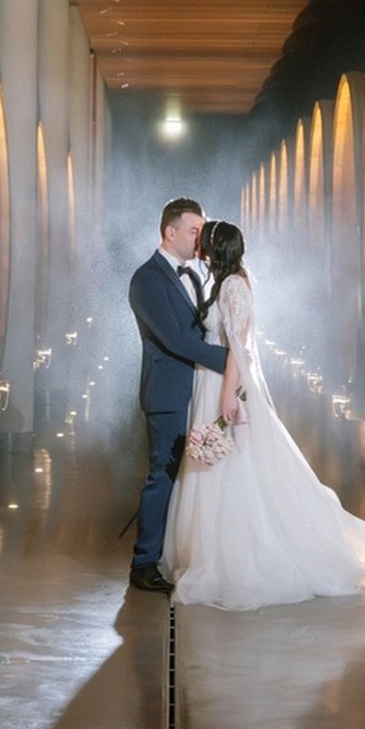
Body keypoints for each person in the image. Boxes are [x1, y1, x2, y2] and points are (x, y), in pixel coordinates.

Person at [162, 221, 365, 610]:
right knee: (225, 466)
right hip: (211, 381)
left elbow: (239, 348)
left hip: (223, 383)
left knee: (237, 469)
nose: (198, 242)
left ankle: (236, 554)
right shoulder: (228, 281)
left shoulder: (232, 286)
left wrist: (229, 395)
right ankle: (211, 550)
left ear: (214, 247)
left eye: (203, 237)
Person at [125, 198, 230, 593]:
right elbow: (176, 339)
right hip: (168, 393)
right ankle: (144, 563)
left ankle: (179, 553)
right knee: (163, 475)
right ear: (170, 232)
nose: (200, 239)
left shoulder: (197, 273)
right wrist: (231, 360)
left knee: (196, 476)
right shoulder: (147, 279)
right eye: (193, 231)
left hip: (200, 390)